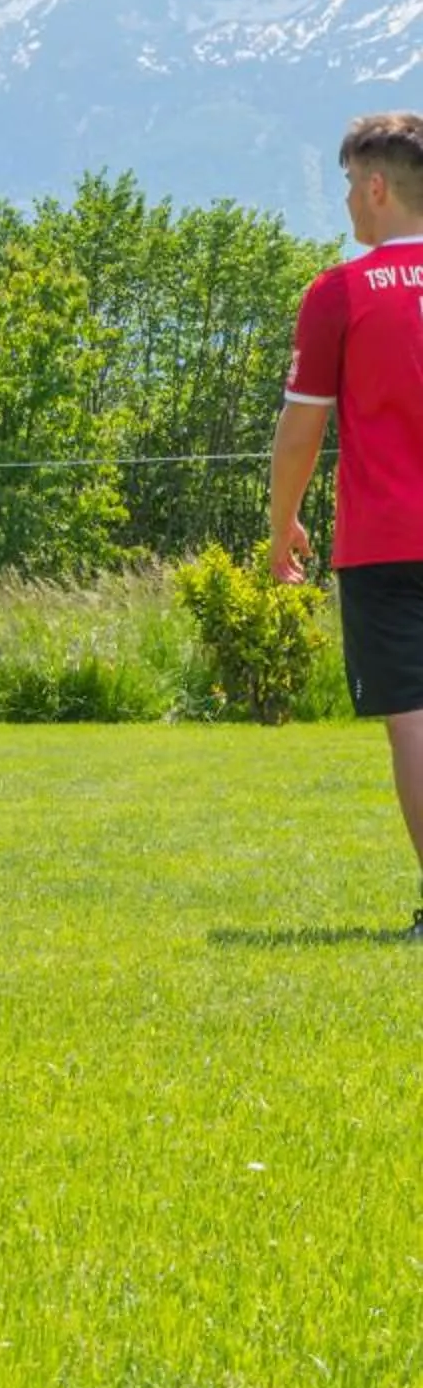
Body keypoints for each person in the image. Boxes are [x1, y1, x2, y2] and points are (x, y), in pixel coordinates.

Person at [273, 111, 423, 929]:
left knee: (414, 721)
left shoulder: (341, 293)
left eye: (347, 188)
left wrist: (282, 523)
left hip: (388, 544)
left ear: (376, 188)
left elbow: (303, 429)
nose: (346, 206)